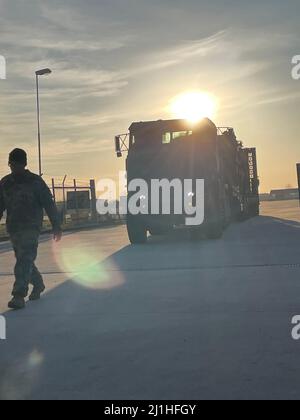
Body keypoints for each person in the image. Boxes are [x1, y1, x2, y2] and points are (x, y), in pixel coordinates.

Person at [0, 149, 62, 310]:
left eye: (17, 164)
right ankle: (38, 283)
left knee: (24, 259)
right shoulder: (5, 183)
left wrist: (56, 224)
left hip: (31, 227)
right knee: (24, 259)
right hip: (14, 228)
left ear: (24, 164)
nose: (14, 167)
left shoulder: (35, 182)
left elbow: (48, 203)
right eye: (12, 164)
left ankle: (18, 295)